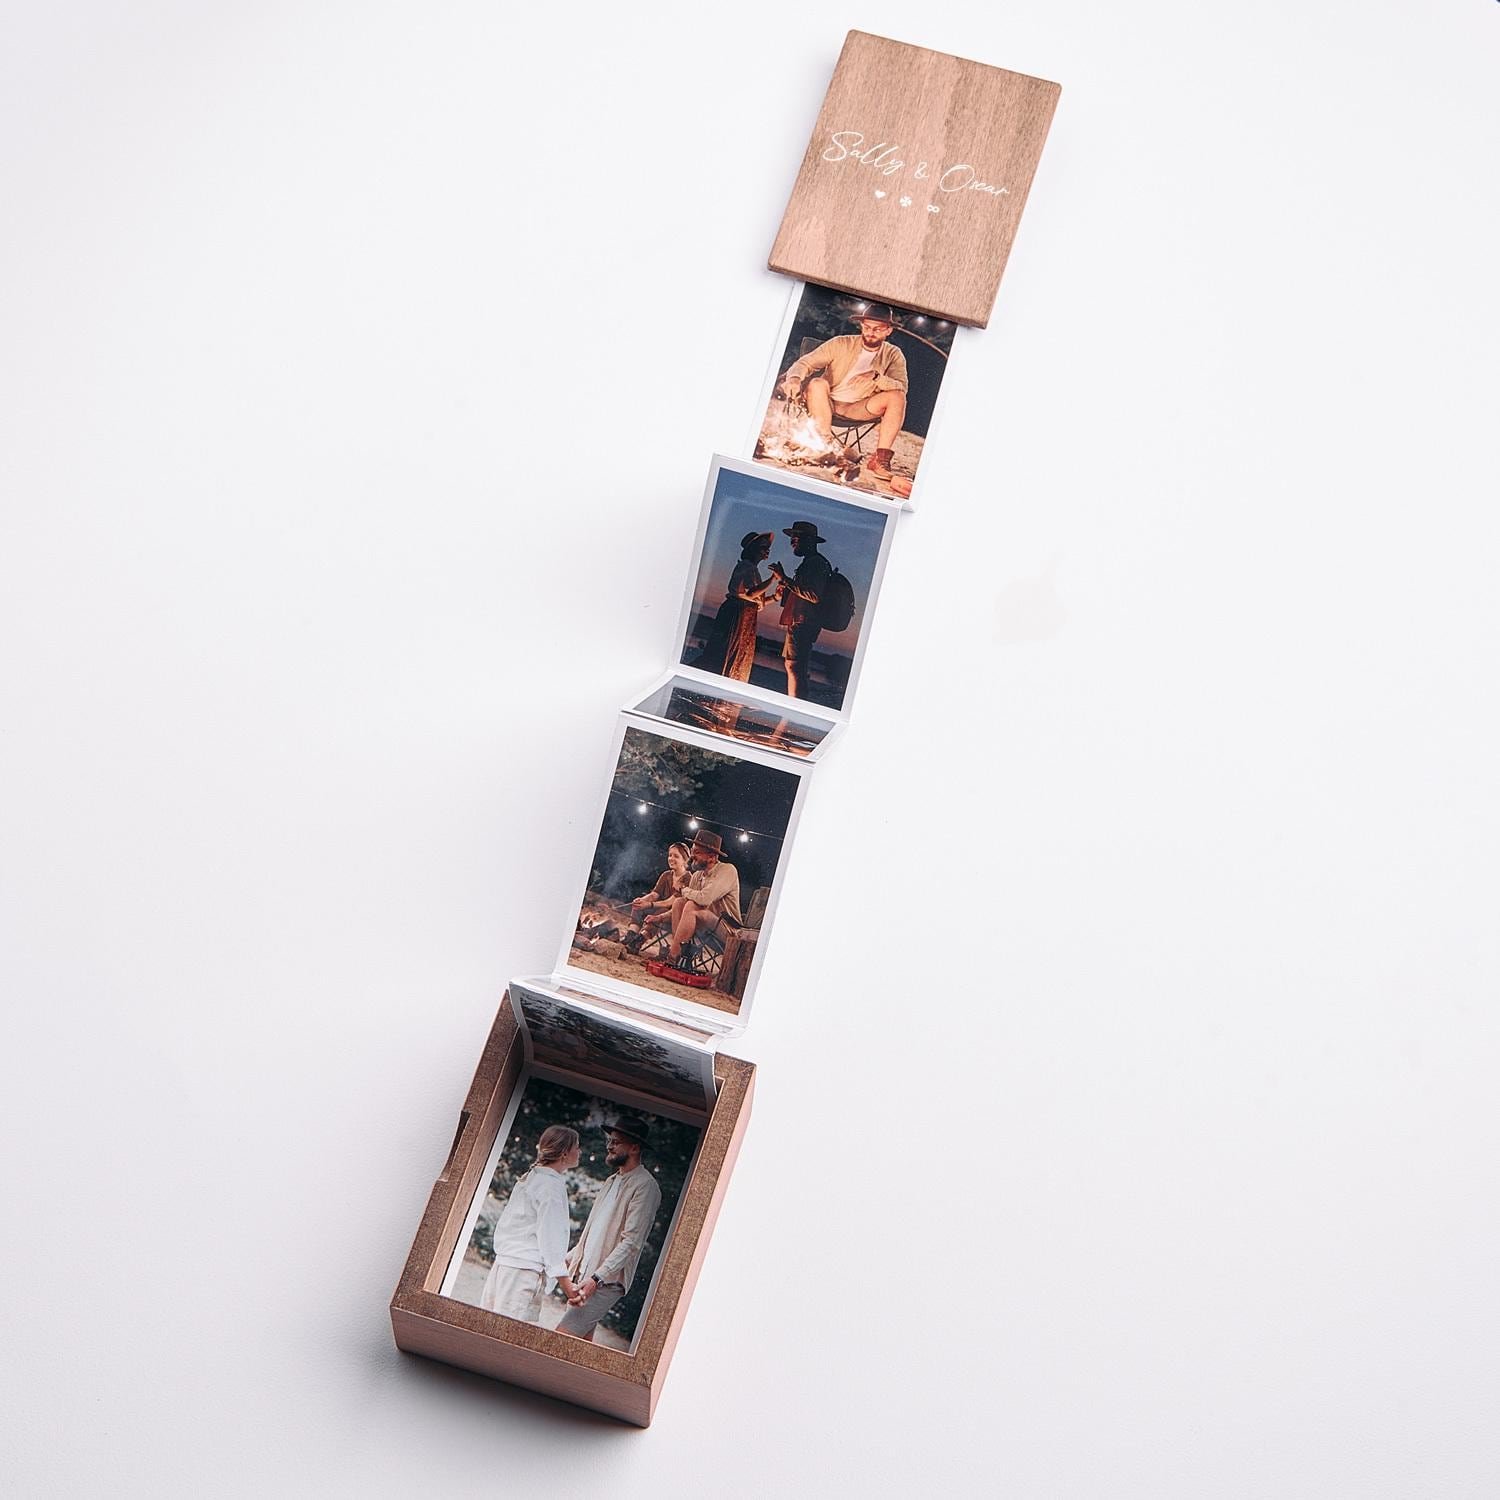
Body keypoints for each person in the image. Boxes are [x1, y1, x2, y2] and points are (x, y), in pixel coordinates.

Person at [555, 1116, 664, 1342]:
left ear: (634, 1148)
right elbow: (594, 1233)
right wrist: (568, 1258)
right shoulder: (611, 1181)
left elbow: (631, 1243)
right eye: (609, 1141)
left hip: (606, 1281)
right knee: (579, 1344)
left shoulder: (645, 1186)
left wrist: (597, 1279)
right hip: (586, 1275)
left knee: (560, 1339)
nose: (609, 1146)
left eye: (616, 1142)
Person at [779, 306, 909, 481]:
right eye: (867, 327)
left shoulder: (893, 354)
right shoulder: (841, 343)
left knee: (897, 397)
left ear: (888, 330)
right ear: (861, 325)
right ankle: (825, 445)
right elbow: (806, 363)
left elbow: (901, 387)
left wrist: (876, 377)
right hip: (826, 402)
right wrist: (794, 378)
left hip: (858, 407)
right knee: (817, 383)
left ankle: (880, 460)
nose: (871, 333)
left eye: (877, 329)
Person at [478, 1125, 586, 1323]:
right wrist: (567, 1285)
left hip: (505, 1265)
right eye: (577, 1147)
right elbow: (550, 1239)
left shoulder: (534, 1177)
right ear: (564, 1153)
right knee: (504, 1330)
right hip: (522, 1271)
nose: (580, 1151)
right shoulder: (550, 1186)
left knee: (488, 1324)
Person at [692, 531, 779, 680]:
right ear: (753, 549)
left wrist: (775, 597)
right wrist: (772, 579)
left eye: (768, 548)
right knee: (726, 651)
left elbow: (755, 600)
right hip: (736, 614)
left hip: (745, 616)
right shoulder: (745, 566)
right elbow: (751, 594)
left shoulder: (753, 569)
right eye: (764, 547)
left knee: (737, 652)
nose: (767, 550)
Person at [769, 520, 833, 700]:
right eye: (792, 538)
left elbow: (813, 595)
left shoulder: (816, 563)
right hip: (800, 622)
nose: (792, 542)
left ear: (809, 541)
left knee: (794, 667)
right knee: (793, 666)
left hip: (804, 623)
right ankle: (794, 706)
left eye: (796, 538)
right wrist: (786, 587)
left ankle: (794, 708)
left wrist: (785, 579)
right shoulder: (811, 562)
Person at [663, 829, 741, 964]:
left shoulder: (727, 870)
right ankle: (679, 955)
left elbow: (705, 899)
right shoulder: (697, 876)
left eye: (697, 852)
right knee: (680, 902)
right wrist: (659, 917)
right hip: (705, 927)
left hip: (729, 931)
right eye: (692, 851)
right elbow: (684, 909)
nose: (692, 856)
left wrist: (683, 889)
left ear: (712, 857)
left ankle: (672, 958)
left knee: (691, 905)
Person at [626, 841, 692, 946]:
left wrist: (648, 904)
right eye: (670, 855)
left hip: (674, 915)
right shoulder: (666, 875)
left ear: (685, 860)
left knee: (661, 911)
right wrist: (642, 900)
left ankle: (639, 941)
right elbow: (654, 895)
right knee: (638, 906)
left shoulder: (688, 878)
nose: (671, 858)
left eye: (676, 856)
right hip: (660, 908)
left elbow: (669, 902)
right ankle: (630, 936)